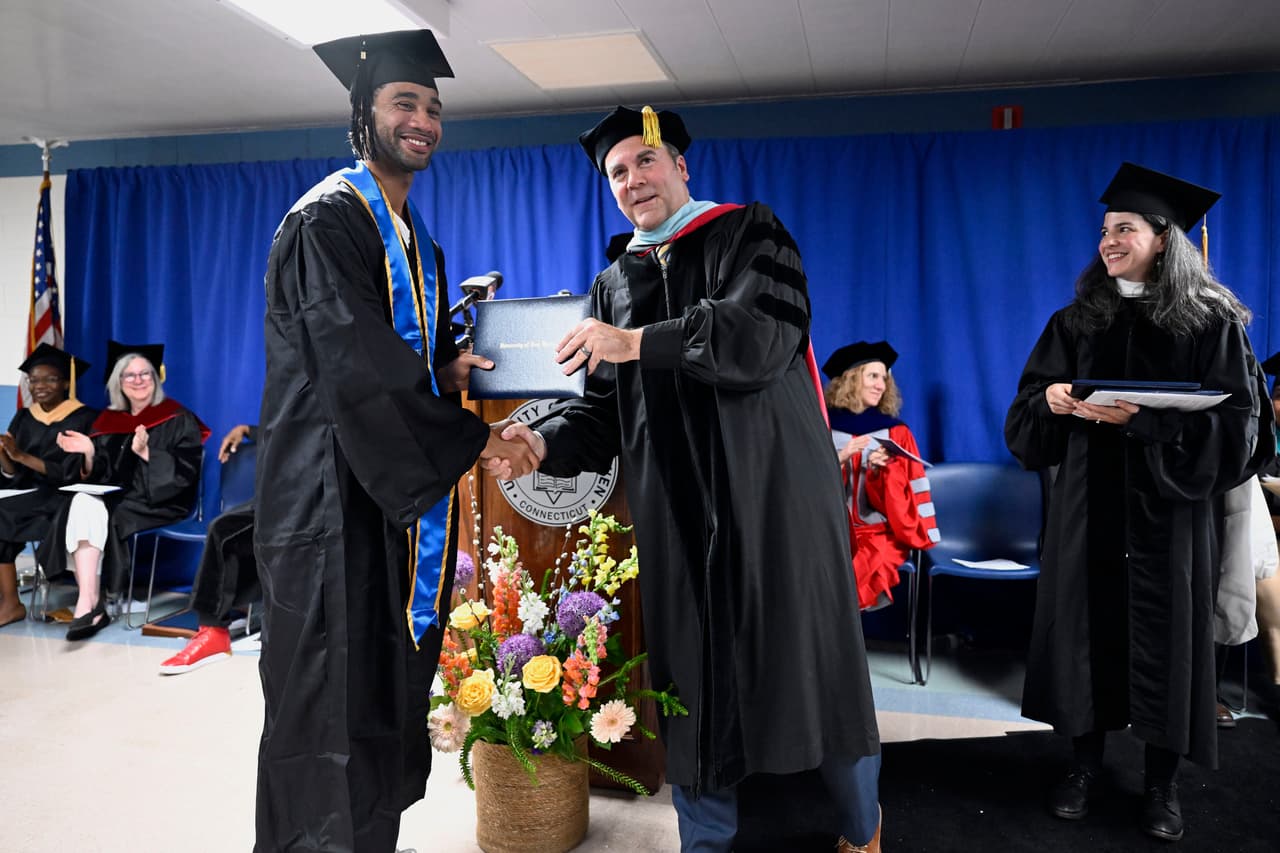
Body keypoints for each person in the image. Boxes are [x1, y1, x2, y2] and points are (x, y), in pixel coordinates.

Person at [497, 105, 883, 853]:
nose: (633, 179)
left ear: (681, 166)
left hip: (774, 501)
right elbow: (604, 413)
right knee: (694, 681)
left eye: (646, 161)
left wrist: (638, 340)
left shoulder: (750, 234)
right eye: (617, 173)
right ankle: (706, 840)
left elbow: (759, 338)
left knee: (812, 661)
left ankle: (861, 822)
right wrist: (537, 443)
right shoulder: (613, 284)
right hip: (677, 516)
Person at [253, 29, 538, 852]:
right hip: (327, 510)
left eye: (434, 109)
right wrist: (474, 441)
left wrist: (449, 370)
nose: (423, 120)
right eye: (405, 103)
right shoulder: (327, 220)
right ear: (363, 114)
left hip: (387, 513)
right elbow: (354, 363)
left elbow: (396, 359)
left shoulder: (418, 240)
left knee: (378, 709)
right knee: (326, 714)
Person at [1004, 162, 1273, 842]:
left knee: (1167, 645)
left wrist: (1144, 422)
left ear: (1165, 238)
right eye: (1104, 229)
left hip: (1170, 518)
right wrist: (1055, 401)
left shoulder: (1210, 325)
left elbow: (1245, 434)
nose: (1109, 240)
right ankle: (1084, 766)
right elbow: (1024, 421)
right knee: (1087, 641)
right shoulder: (1075, 322)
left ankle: (1162, 783)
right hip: (1088, 513)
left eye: (1124, 228)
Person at [42, 341, 208, 641]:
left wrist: (147, 453)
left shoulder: (177, 418)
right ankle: (89, 602)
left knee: (106, 511)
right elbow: (102, 475)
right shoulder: (109, 421)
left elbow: (187, 470)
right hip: (119, 497)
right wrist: (90, 451)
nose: (138, 380)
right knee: (80, 501)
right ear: (118, 383)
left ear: (155, 379)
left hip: (162, 501)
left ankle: (99, 598)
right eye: (129, 376)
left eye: (145, 374)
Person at [823, 340, 939, 611]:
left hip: (880, 533)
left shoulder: (896, 433)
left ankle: (837, 640)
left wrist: (881, 473)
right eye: (873, 376)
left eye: (884, 379)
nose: (881, 385)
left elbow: (907, 501)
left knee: (860, 567)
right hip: (830, 529)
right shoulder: (821, 427)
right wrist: (836, 460)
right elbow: (802, 491)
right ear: (851, 379)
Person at [0, 344, 98, 627]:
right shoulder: (24, 416)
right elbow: (12, 470)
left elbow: (70, 473)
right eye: (34, 379)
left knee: (3, 515)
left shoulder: (83, 417)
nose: (39, 386)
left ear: (66, 382)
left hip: (64, 494)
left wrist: (21, 456)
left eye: (49, 379)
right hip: (28, 493)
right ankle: (10, 601)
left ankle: (10, 603)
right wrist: (5, 455)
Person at [157, 424, 257, 675]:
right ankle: (212, 632)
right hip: (280, 491)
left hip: (316, 490)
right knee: (224, 529)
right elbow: (288, 425)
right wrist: (247, 430)